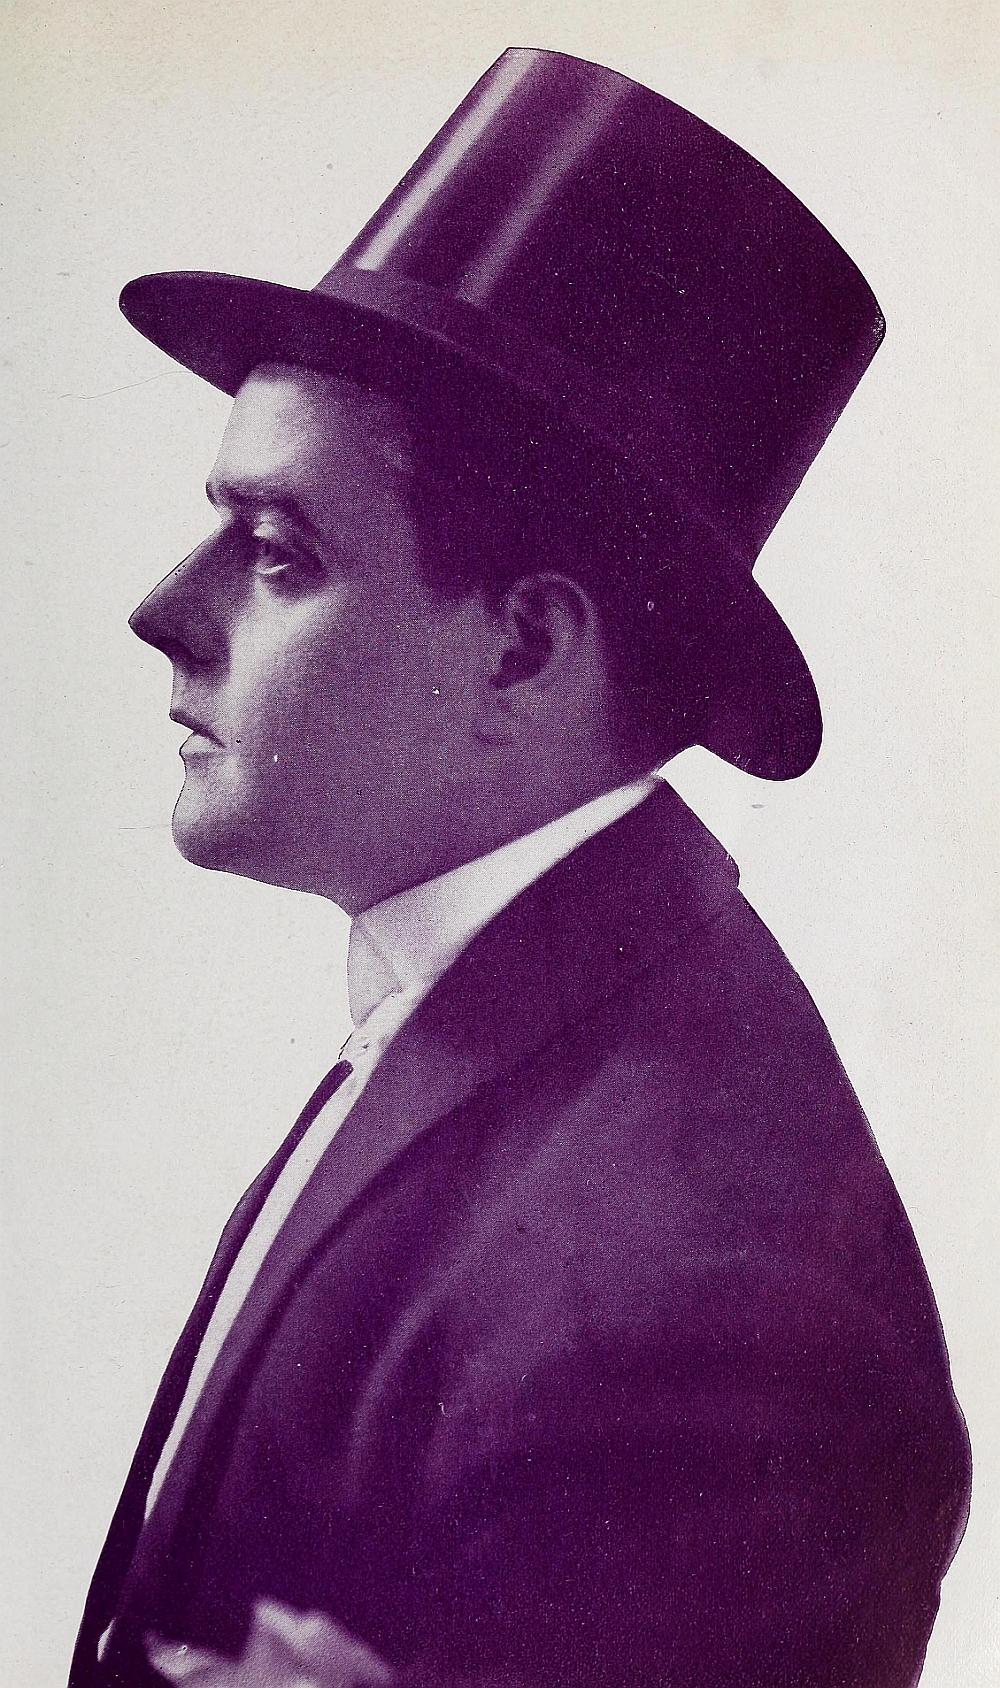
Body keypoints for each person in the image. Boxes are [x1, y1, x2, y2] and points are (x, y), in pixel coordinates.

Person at [70, 46, 971, 1688]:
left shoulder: (708, 1302)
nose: (163, 610)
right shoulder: (502, 1022)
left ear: (524, 652)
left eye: (275, 551)